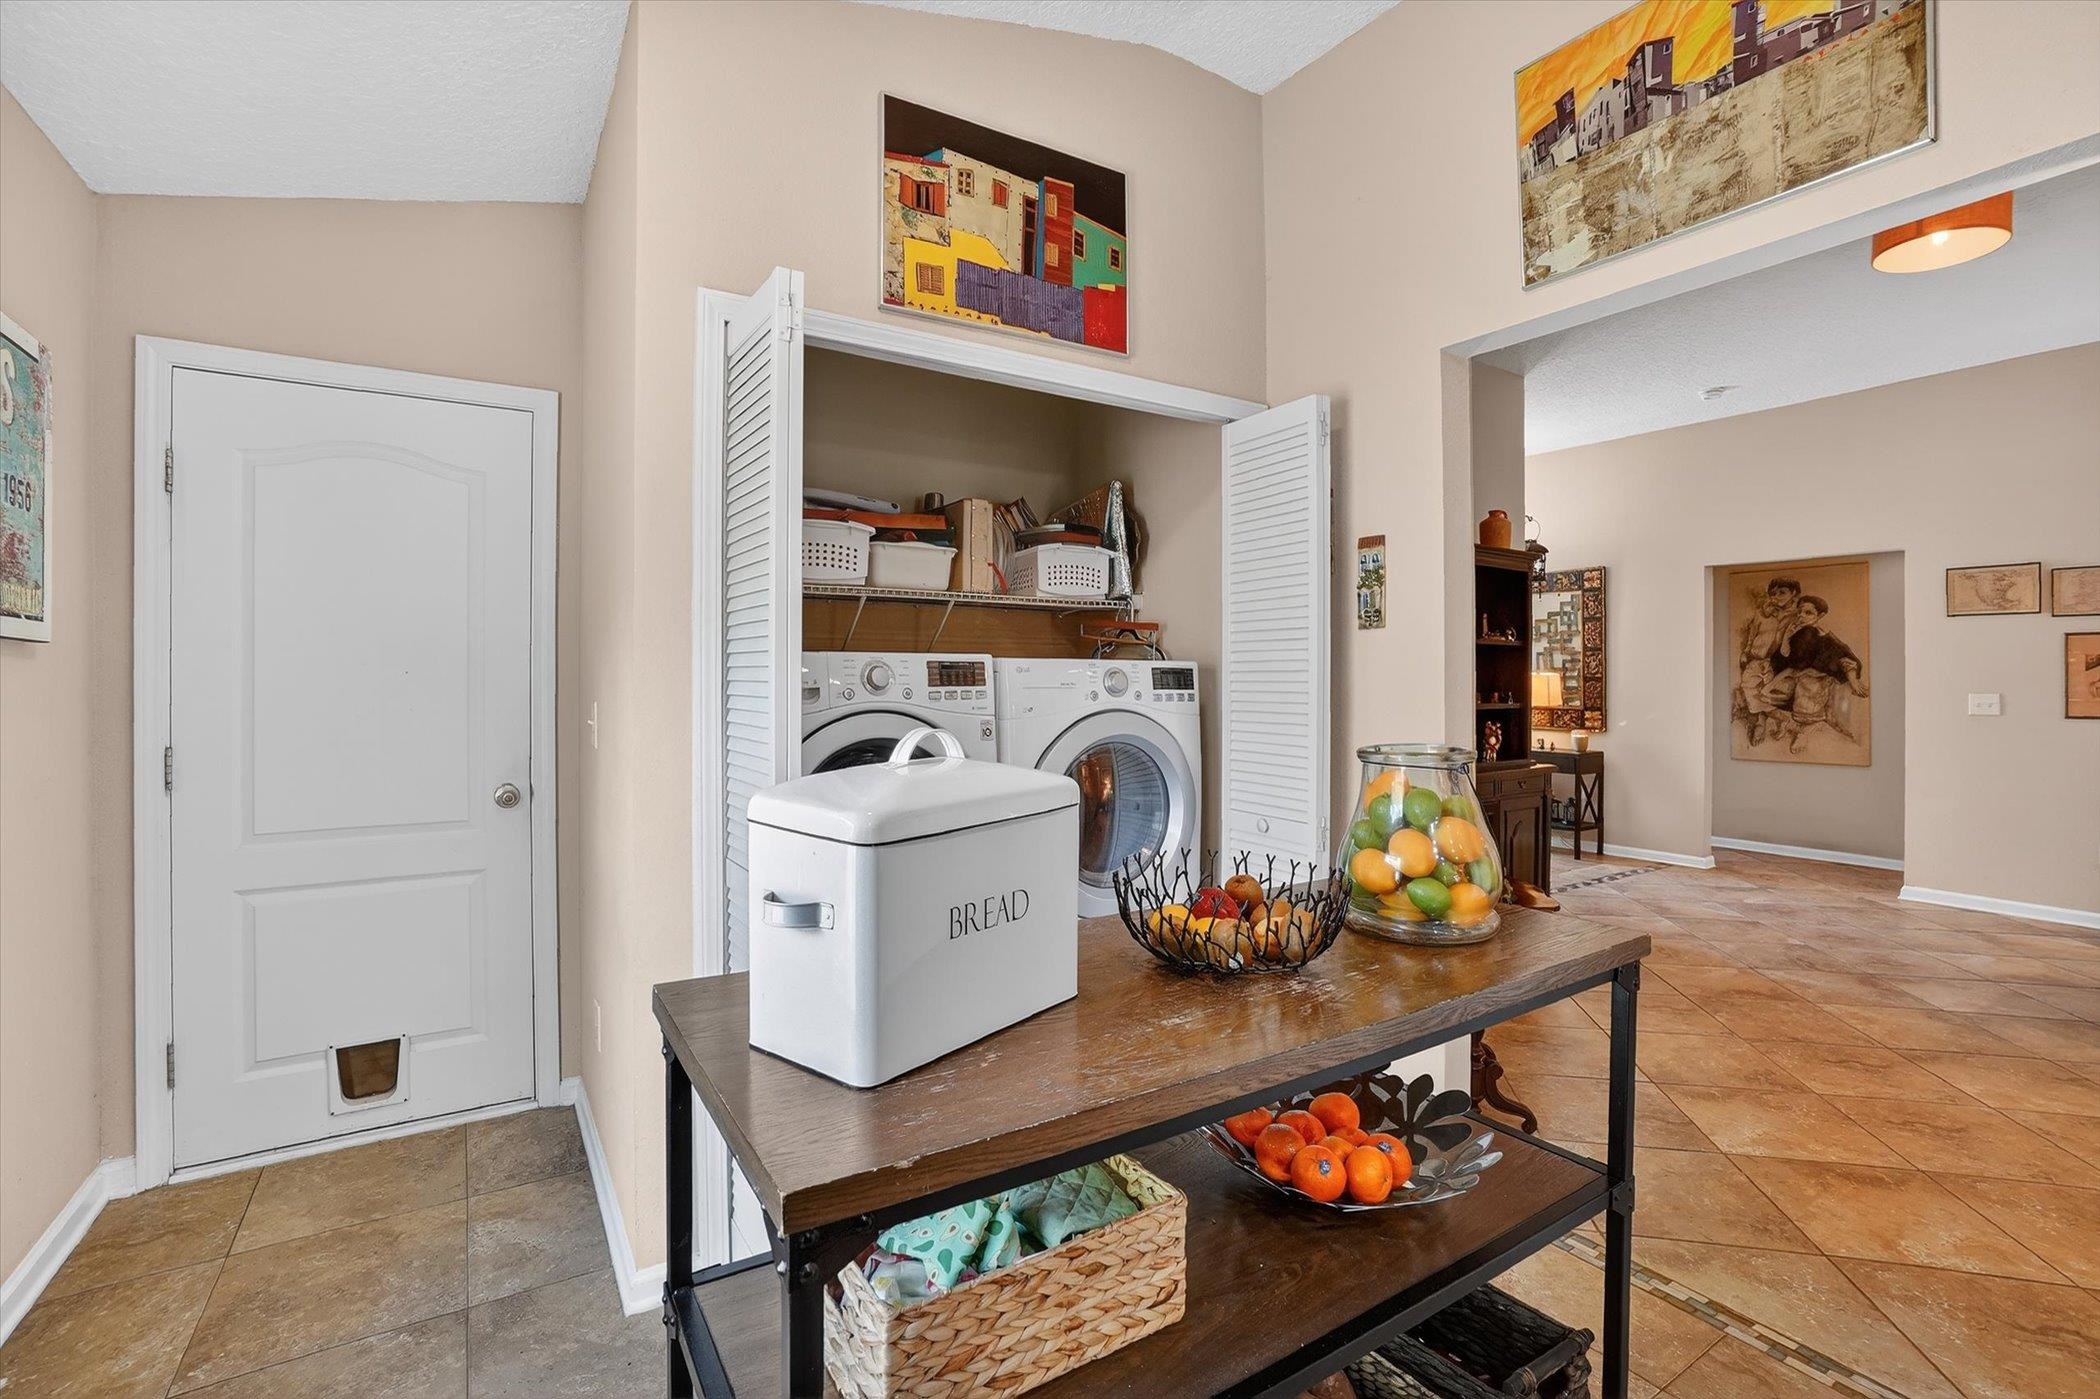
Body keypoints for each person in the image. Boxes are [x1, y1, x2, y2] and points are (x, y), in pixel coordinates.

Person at [1763, 596, 1868, 750]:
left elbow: (1845, 656)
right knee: (1770, 694)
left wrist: (1852, 679)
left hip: (1817, 678)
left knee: (1809, 687)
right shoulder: (1798, 633)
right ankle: (1787, 723)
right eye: (1800, 612)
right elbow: (1786, 657)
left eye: (1808, 613)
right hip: (1793, 673)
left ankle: (1804, 731)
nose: (1801, 616)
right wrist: (1786, 636)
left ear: (1820, 616)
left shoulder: (1823, 637)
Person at [1736, 577, 1799, 745]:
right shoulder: (1762, 613)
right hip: (1757, 658)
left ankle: (1762, 723)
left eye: (1782, 592)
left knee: (1766, 693)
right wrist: (1746, 651)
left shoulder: (1796, 617)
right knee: (1748, 686)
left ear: (1793, 594)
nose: (1777, 596)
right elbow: (1752, 634)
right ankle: (1771, 720)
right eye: (1774, 593)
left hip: (1777, 663)